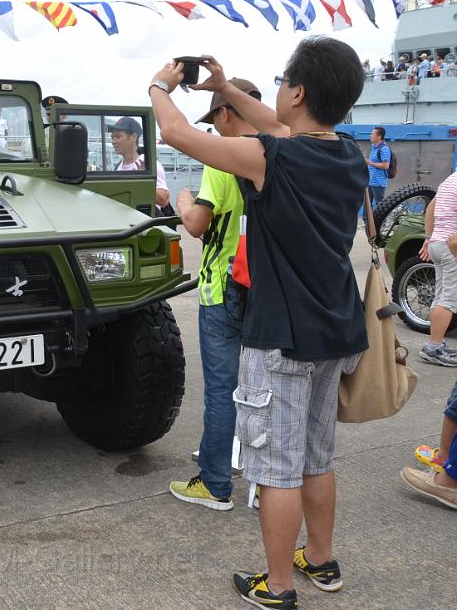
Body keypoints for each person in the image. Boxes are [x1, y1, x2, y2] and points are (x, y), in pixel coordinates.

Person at [148, 37, 368, 608]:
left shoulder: (271, 156)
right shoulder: (348, 154)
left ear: (296, 91)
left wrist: (159, 88)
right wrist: (222, 88)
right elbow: (278, 123)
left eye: (281, 83)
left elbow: (175, 133)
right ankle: (320, 560)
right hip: (336, 328)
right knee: (317, 457)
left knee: (275, 468)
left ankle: (278, 586)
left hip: (281, 335)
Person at [168, 78, 261, 512]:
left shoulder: (222, 158)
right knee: (260, 387)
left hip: (223, 284)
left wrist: (184, 203)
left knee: (222, 390)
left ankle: (215, 482)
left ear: (225, 113)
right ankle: (256, 477)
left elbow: (198, 226)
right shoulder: (277, 152)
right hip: (266, 287)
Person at [416, 171, 457, 366]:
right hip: (452, 246)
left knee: (440, 296)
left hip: (438, 244)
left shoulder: (449, 179)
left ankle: (436, 343)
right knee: (449, 299)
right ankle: (433, 348)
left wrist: (428, 238)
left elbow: (430, 209)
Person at [110, 117, 170, 208]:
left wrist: (144, 181)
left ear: (134, 137)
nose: (113, 141)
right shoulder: (117, 167)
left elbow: (164, 201)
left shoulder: (149, 165)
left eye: (118, 137)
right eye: (112, 137)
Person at [365, 126, 391, 214]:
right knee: (367, 203)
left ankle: (378, 223)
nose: (370, 136)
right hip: (370, 180)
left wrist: (369, 163)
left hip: (378, 181)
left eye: (372, 134)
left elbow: (385, 165)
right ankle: (367, 223)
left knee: (380, 204)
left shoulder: (384, 149)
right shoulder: (373, 147)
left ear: (379, 136)